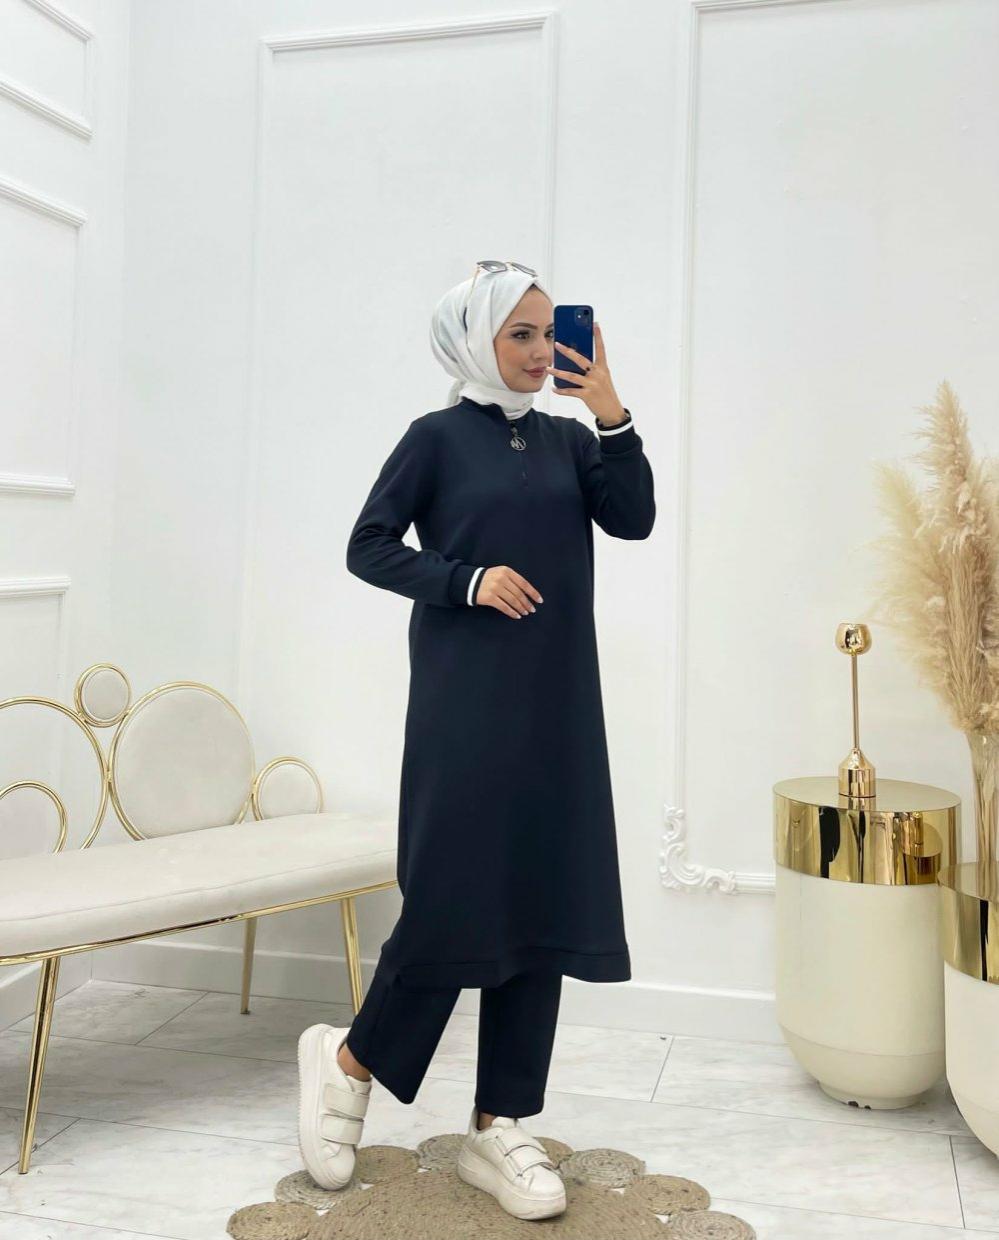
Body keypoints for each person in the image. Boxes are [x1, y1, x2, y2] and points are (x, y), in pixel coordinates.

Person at [296, 261, 656, 1222]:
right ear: (473, 341)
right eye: (519, 335)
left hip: (558, 702)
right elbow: (369, 545)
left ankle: (499, 1124)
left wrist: (609, 409)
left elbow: (633, 520)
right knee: (452, 893)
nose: (539, 352)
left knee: (540, 895)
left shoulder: (572, 440)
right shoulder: (435, 439)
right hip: (465, 701)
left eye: (548, 334)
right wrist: (464, 580)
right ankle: (349, 1063)